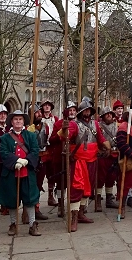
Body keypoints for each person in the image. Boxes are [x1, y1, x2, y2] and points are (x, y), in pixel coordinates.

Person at [66, 99, 111, 231]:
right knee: (76, 187)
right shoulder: (74, 124)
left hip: (92, 159)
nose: (87, 112)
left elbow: (100, 138)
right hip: (78, 161)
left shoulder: (95, 124)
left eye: (89, 110)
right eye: (85, 110)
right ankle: (73, 217)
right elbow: (67, 136)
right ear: (80, 112)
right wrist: (65, 130)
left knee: (88, 187)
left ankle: (81, 213)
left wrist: (106, 146)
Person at [0, 110, 41, 236]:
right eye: (15, 119)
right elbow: (4, 152)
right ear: (11, 122)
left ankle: (32, 224)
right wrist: (16, 161)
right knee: (12, 200)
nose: (18, 121)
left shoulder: (30, 136)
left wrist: (26, 161)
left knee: (31, 198)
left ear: (23, 122)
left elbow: (35, 150)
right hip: (12, 172)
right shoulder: (5, 138)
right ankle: (13, 224)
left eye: (20, 119)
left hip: (27, 172)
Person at [49, 102, 76, 218]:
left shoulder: (77, 124)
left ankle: (75, 207)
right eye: (70, 110)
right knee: (60, 183)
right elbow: (52, 140)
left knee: (74, 183)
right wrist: (62, 131)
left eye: (74, 110)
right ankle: (60, 205)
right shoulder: (58, 124)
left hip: (74, 157)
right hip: (60, 157)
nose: (72, 112)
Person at [96, 106, 120, 211]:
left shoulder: (117, 126)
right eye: (107, 114)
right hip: (102, 155)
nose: (109, 115)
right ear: (103, 116)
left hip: (114, 155)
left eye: (110, 113)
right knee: (100, 178)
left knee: (111, 178)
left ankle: (109, 200)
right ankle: (97, 201)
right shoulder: (99, 127)